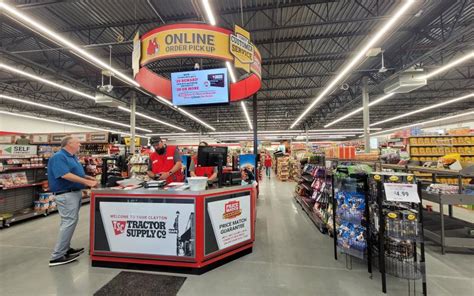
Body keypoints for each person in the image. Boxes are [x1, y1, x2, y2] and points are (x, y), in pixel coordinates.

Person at [48, 136, 98, 267]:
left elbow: (76, 173)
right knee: (68, 222)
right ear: (69, 144)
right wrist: (87, 182)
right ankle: (57, 256)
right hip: (65, 194)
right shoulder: (59, 157)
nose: (80, 144)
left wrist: (87, 177)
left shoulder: (72, 156)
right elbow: (65, 174)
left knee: (69, 222)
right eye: (77, 142)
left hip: (73, 193)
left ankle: (65, 249)